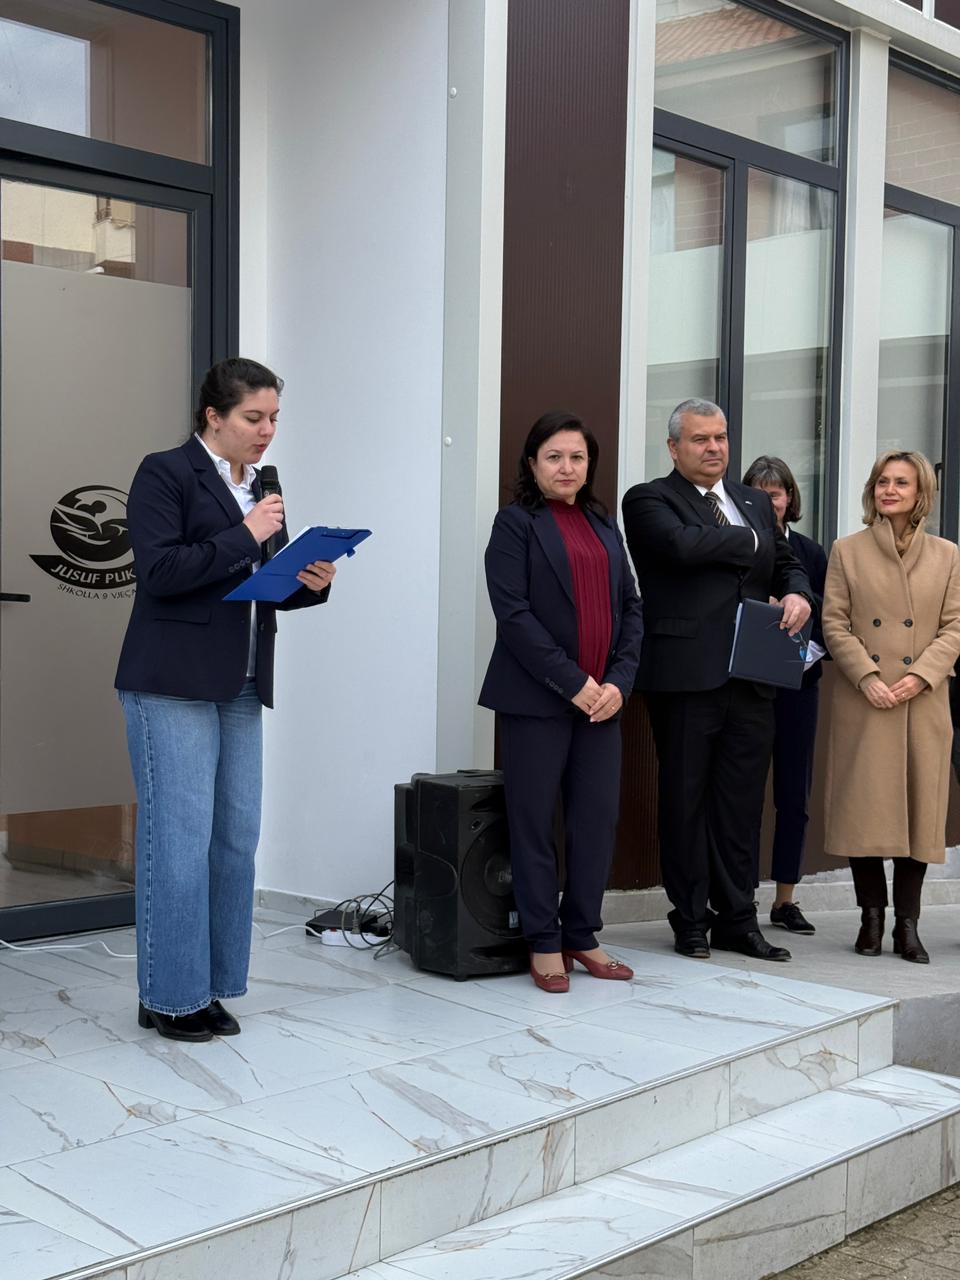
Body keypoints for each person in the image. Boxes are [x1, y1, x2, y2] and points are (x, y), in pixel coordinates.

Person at [116, 358, 336, 1040]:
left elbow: (261, 586)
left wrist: (311, 581)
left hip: (240, 682)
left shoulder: (261, 487)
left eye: (274, 419)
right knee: (179, 842)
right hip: (171, 682)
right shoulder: (165, 472)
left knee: (235, 840)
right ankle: (169, 996)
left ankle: (209, 988)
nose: (267, 431)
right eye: (253, 418)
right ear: (213, 416)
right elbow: (160, 572)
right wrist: (245, 534)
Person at [621, 398, 811, 962]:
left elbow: (786, 561)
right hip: (685, 676)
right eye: (700, 439)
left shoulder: (753, 501)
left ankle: (737, 920)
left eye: (721, 437)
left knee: (741, 805)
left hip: (752, 674)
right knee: (685, 800)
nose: (714, 448)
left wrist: (798, 592)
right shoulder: (649, 498)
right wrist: (751, 541)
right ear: (674, 447)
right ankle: (690, 919)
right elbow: (682, 547)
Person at [479, 411, 644, 992]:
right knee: (534, 823)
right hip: (538, 700)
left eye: (577, 457)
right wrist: (574, 682)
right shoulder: (514, 524)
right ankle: (543, 941)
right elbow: (514, 616)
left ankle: (582, 933)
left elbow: (631, 609)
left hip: (602, 704)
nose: (567, 467)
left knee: (596, 821)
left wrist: (618, 683)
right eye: (554, 457)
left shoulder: (603, 524)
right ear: (532, 463)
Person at [822, 450, 960, 964]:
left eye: (901, 482)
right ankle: (871, 918)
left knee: (918, 814)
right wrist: (868, 677)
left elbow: (955, 627)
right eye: (882, 481)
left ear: (920, 492)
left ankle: (907, 925)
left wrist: (919, 676)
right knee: (865, 812)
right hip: (865, 700)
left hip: (922, 701)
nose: (889, 490)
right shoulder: (847, 551)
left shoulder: (947, 555)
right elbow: (834, 623)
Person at [742, 456, 828, 936]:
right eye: (757, 492)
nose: (767, 501)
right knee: (744, 796)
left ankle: (785, 900)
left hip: (800, 688)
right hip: (747, 690)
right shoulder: (738, 547)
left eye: (775, 493)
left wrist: (797, 658)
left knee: (794, 795)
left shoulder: (811, 553)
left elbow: (831, 620)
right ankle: (740, 898)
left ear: (789, 498)